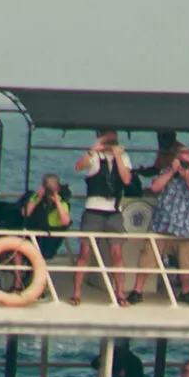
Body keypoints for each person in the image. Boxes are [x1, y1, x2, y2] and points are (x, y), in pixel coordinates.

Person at [70, 129, 137, 304]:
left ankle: (120, 293)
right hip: (93, 209)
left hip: (113, 211)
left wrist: (118, 157)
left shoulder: (124, 158)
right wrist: (93, 150)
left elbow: (127, 179)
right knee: (85, 252)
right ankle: (76, 293)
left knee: (117, 253)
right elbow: (78, 167)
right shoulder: (94, 157)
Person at [142, 140, 189, 301]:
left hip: (185, 228)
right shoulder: (167, 172)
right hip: (162, 225)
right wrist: (172, 171)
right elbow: (155, 187)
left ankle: (185, 292)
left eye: (188, 159)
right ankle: (138, 290)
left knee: (187, 263)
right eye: (182, 159)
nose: (185, 162)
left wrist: (188, 177)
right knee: (147, 258)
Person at [21, 173, 73, 260]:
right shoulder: (37, 197)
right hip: (37, 232)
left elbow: (65, 221)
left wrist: (57, 202)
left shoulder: (62, 201)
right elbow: (25, 213)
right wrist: (37, 199)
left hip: (53, 236)